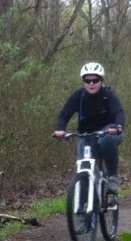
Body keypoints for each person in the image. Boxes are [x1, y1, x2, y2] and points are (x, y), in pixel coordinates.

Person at [54, 62, 126, 193]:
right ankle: (83, 209)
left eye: (95, 80)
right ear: (84, 81)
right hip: (86, 134)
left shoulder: (107, 94)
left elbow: (119, 112)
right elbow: (64, 114)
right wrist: (60, 129)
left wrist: (118, 127)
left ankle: (112, 177)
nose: (91, 84)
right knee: (84, 167)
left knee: (106, 140)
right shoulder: (79, 96)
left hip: (109, 131)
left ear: (101, 80)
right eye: (87, 80)